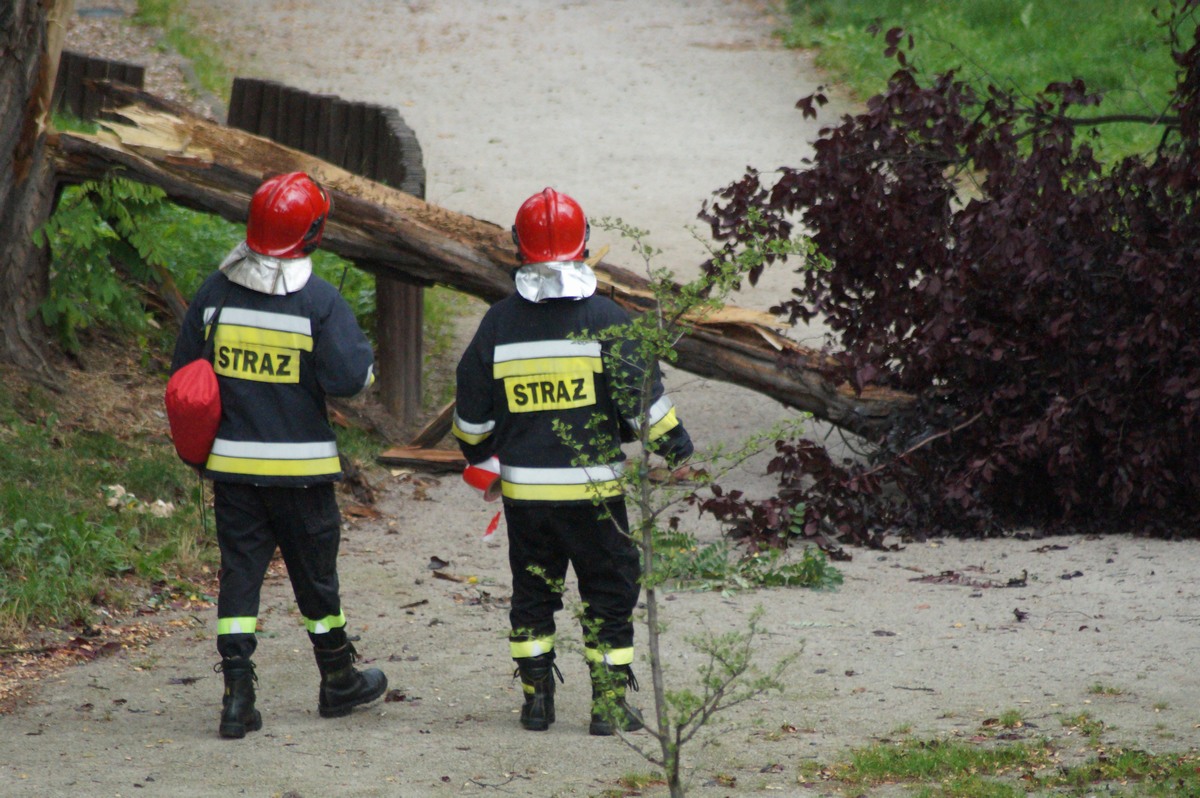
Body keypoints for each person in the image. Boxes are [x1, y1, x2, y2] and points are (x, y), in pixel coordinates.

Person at [451, 187, 694, 736]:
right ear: (584, 245)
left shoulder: (499, 323)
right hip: (595, 494)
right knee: (608, 591)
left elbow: (470, 408)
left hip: (526, 496)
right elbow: (642, 403)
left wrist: (481, 453)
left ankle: (537, 702)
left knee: (533, 591)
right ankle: (609, 705)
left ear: (518, 247)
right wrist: (676, 445)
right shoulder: (608, 317)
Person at [170, 172, 387, 739]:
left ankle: (237, 696)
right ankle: (338, 678)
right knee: (315, 580)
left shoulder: (214, 296)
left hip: (235, 473)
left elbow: (184, 378)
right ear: (312, 235)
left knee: (239, 577)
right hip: (302, 475)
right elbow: (349, 379)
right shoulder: (319, 301)